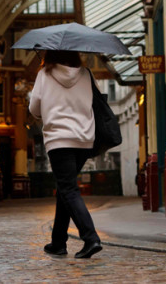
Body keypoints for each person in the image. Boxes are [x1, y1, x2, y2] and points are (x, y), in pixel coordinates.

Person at [28, 50, 102, 259]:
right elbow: (98, 101)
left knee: (68, 189)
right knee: (64, 188)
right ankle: (58, 242)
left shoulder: (45, 74)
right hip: (84, 138)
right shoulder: (86, 74)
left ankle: (90, 237)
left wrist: (49, 109)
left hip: (59, 139)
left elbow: (34, 108)